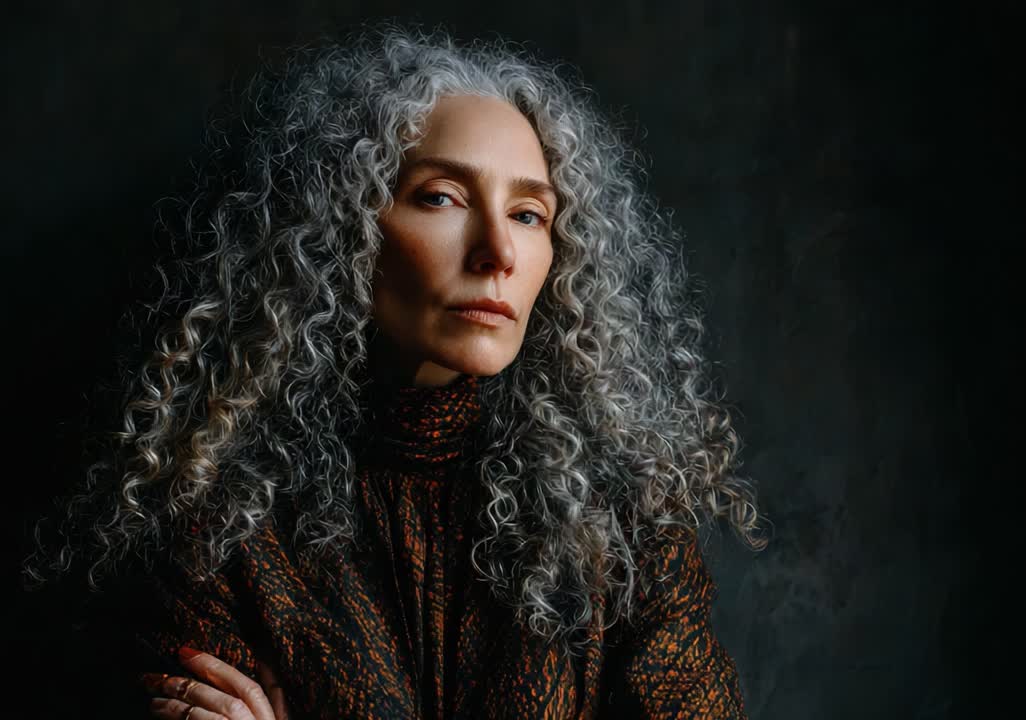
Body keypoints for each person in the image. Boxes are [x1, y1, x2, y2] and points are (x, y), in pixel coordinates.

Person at [23, 20, 768, 720]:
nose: (498, 253)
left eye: (529, 214)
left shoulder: (626, 519)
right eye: (441, 197)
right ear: (339, 226)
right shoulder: (215, 522)